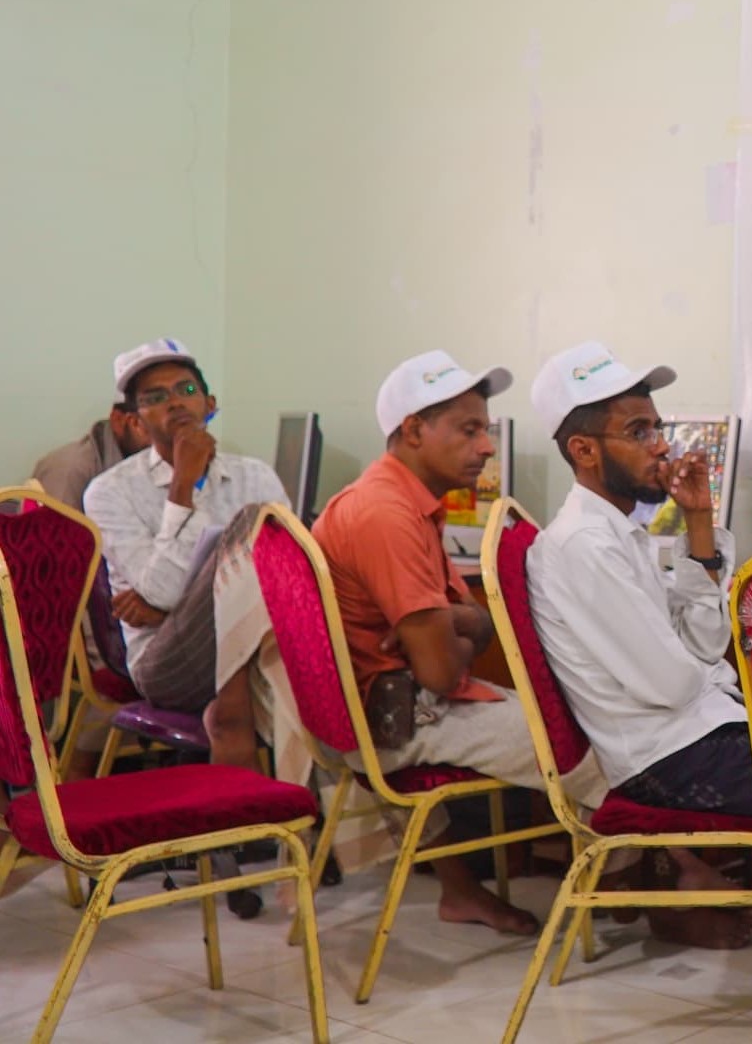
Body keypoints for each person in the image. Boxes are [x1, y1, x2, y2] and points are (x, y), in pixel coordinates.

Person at [308, 349, 607, 935]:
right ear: (414, 430)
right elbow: (444, 673)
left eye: (487, 430)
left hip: (384, 707)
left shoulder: (399, 500)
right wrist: (460, 631)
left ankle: (462, 891)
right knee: (604, 740)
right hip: (402, 720)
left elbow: (470, 623)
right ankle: (647, 891)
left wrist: (459, 626)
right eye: (469, 430)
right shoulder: (386, 516)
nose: (488, 447)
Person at [526, 340, 752, 948]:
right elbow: (678, 680)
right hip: (668, 756)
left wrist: (699, 521)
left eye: (658, 426)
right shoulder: (583, 545)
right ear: (584, 450)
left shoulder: (620, 531)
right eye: (638, 430)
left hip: (695, 732)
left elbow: (705, 645)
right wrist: (704, 673)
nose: (661, 445)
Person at [83, 338, 290, 713]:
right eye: (155, 397)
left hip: (255, 644)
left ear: (210, 406)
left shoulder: (256, 477)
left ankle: (237, 729)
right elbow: (164, 590)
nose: (176, 401)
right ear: (136, 422)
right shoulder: (109, 492)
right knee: (247, 531)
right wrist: (183, 485)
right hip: (164, 662)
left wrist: (164, 613)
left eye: (187, 390)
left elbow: (288, 585)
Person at [30, 391, 151, 781]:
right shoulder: (73, 469)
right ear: (120, 420)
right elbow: (61, 573)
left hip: (115, 595)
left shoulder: (146, 465)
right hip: (68, 608)